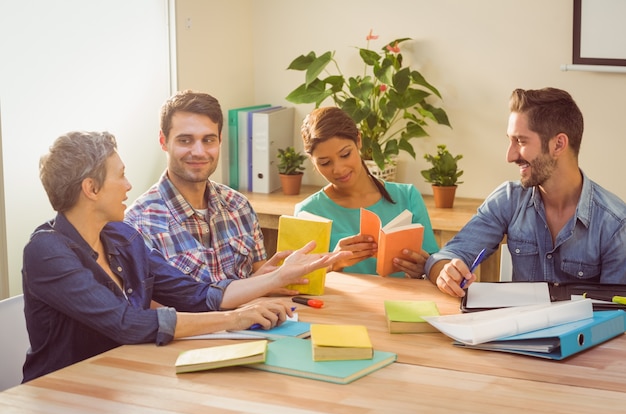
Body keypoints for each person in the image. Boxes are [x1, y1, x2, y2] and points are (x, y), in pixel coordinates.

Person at [22, 131, 349, 382]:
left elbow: (193, 293)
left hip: (126, 378)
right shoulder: (47, 251)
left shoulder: (122, 237)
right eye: (119, 175)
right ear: (91, 189)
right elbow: (126, 324)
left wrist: (273, 280)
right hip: (66, 391)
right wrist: (235, 318)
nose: (128, 185)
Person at [426, 87, 626, 297]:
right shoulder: (509, 199)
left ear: (558, 144)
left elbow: (617, 312)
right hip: (517, 328)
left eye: (520, 141)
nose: (510, 156)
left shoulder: (615, 224)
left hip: (584, 331)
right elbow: (446, 256)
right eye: (510, 140)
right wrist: (446, 272)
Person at [125, 90, 272, 285]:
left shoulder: (239, 206)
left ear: (220, 139)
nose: (199, 152)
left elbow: (261, 277)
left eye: (208, 140)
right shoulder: (138, 224)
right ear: (163, 141)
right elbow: (151, 311)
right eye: (185, 140)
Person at [294, 106, 439, 277]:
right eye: (325, 163)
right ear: (312, 161)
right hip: (340, 304)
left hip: (400, 302)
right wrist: (334, 263)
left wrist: (424, 270)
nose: (338, 169)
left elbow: (433, 266)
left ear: (359, 140)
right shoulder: (308, 212)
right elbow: (298, 282)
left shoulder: (407, 196)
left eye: (345, 154)